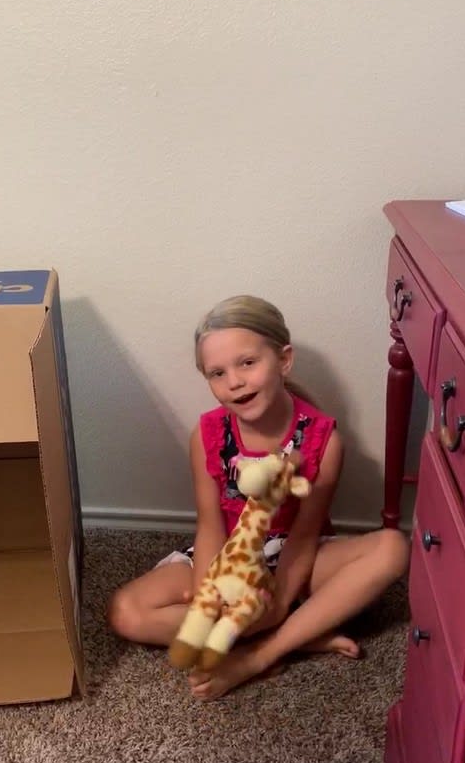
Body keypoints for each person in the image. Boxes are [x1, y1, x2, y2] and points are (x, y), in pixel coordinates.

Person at [108, 295, 409, 701]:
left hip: (291, 558)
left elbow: (304, 536)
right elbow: (210, 526)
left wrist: (278, 604)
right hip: (227, 556)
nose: (234, 381)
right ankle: (301, 635)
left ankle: (260, 655)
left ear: (283, 360)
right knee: (126, 611)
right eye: (217, 373)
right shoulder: (207, 435)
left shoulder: (323, 440)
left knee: (392, 548)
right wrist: (210, 597)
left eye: (247, 363)